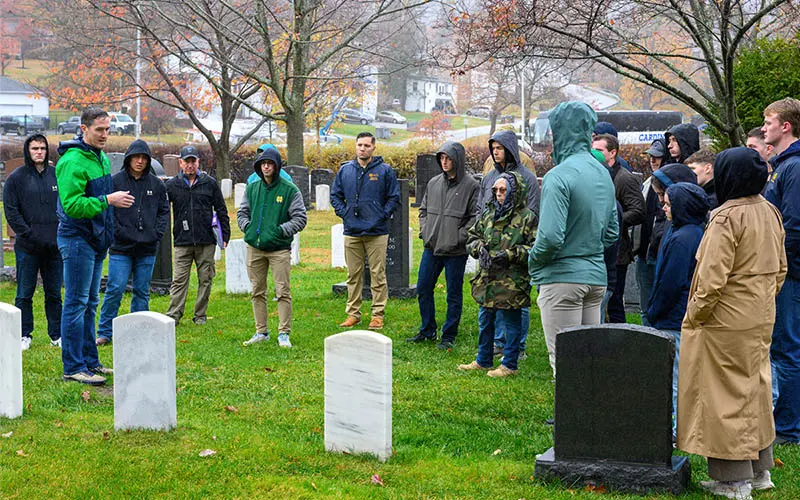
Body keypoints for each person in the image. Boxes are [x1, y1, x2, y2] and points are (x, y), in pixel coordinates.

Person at [678, 147, 786, 498]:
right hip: (759, 314)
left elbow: (710, 279)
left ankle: (734, 479)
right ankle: (759, 471)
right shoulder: (769, 210)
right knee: (754, 388)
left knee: (724, 396)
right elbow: (781, 267)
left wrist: (695, 316)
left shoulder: (726, 216)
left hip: (725, 319)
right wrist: (760, 300)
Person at [529, 101, 618, 379]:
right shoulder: (602, 172)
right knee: (587, 360)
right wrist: (587, 250)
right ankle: (589, 421)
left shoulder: (559, 176)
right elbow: (612, 232)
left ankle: (568, 423)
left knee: (565, 363)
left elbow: (551, 237)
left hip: (562, 279)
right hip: (596, 279)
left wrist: (533, 261)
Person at [55, 107, 134, 385]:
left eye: (108, 129)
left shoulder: (98, 157)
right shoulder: (73, 161)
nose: (105, 135)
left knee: (90, 303)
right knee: (76, 304)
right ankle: (73, 366)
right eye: (99, 130)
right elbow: (72, 205)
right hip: (77, 239)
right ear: (84, 128)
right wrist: (108, 201)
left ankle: (91, 361)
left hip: (97, 239)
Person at [645, 182, 709, 439]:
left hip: (673, 317)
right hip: (677, 314)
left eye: (669, 204)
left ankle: (676, 430)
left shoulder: (683, 239)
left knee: (676, 379)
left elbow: (670, 282)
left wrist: (655, 311)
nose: (664, 207)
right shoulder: (691, 231)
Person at [459, 172, 536, 377]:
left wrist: (510, 255)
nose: (499, 194)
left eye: (503, 190)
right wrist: (478, 249)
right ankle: (483, 360)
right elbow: (473, 236)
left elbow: (534, 248)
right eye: (496, 190)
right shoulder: (488, 213)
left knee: (511, 321)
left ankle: (509, 364)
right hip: (488, 278)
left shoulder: (527, 217)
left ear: (514, 191)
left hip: (512, 279)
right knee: (485, 319)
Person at [96, 140, 170, 345]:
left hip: (147, 247)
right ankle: (105, 332)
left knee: (141, 290)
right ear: (129, 159)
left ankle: (139, 329)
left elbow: (164, 211)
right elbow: (107, 210)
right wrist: (117, 232)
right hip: (121, 247)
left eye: (144, 158)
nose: (140, 161)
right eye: (136, 157)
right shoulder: (115, 181)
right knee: (115, 288)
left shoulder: (156, 185)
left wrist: (156, 233)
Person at [407, 141, 479, 349]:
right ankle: (427, 329)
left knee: (453, 293)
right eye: (442, 158)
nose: (445, 162)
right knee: (423, 287)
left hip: (455, 250)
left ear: (458, 160)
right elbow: (423, 209)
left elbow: (475, 216)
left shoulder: (471, 185)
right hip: (432, 245)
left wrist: (459, 237)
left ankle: (449, 335)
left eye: (448, 158)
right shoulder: (434, 182)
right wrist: (425, 230)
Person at [477, 130, 541, 358]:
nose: (496, 152)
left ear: (510, 149)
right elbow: (481, 208)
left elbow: (533, 212)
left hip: (514, 248)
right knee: (490, 299)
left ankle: (517, 347)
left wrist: (513, 243)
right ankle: (496, 343)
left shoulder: (527, 178)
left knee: (516, 300)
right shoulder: (489, 178)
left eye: (500, 148)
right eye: (493, 148)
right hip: (490, 247)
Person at [330, 132, 400, 330]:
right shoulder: (345, 171)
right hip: (352, 231)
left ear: (373, 148)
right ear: (355, 146)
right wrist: (345, 214)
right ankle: (353, 313)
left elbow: (394, 198)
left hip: (377, 232)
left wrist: (381, 215)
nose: (363, 148)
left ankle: (377, 314)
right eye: (359, 145)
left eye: (367, 145)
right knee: (353, 275)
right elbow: (335, 195)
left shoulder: (385, 171)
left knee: (378, 274)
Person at [239, 147, 307, 348]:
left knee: (282, 292)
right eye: (262, 163)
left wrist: (279, 231)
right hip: (255, 247)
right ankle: (261, 331)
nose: (266, 166)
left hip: (279, 249)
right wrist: (248, 228)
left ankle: (284, 333)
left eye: (270, 163)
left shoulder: (289, 190)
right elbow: (242, 212)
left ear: (277, 166)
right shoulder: (253, 188)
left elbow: (300, 218)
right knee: (257, 291)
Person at [762, 97, 800, 446]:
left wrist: (779, 267)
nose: (764, 128)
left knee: (788, 348)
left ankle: (788, 429)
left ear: (785, 126)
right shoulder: (781, 165)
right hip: (783, 272)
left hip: (789, 274)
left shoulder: (794, 167)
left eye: (769, 121)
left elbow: (793, 225)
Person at [3, 134, 62, 350]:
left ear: (47, 151)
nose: (39, 152)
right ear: (28, 151)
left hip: (54, 247)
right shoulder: (16, 179)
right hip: (28, 247)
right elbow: (11, 211)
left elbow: (65, 207)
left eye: (43, 148)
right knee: (24, 293)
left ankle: (57, 335)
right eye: (35, 148)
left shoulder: (56, 176)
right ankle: (23, 334)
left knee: (54, 293)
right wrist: (27, 234)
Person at [165, 145, 231, 325]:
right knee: (179, 280)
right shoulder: (172, 185)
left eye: (193, 161)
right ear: (180, 163)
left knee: (205, 279)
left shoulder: (209, 183)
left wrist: (225, 234)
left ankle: (200, 315)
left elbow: (221, 209)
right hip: (182, 241)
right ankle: (174, 315)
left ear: (198, 162)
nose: (190, 165)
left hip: (206, 240)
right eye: (186, 162)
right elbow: (162, 210)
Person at [592, 133, 645, 323]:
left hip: (618, 252)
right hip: (600, 249)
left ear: (613, 153)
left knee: (614, 302)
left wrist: (613, 220)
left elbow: (639, 211)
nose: (594, 154)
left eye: (599, 150)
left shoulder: (624, 178)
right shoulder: (596, 174)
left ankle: (620, 343)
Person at [635, 138, 669, 320]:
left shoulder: (671, 183)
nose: (652, 160)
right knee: (644, 308)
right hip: (644, 251)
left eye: (657, 157)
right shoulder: (648, 183)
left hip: (659, 252)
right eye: (650, 157)